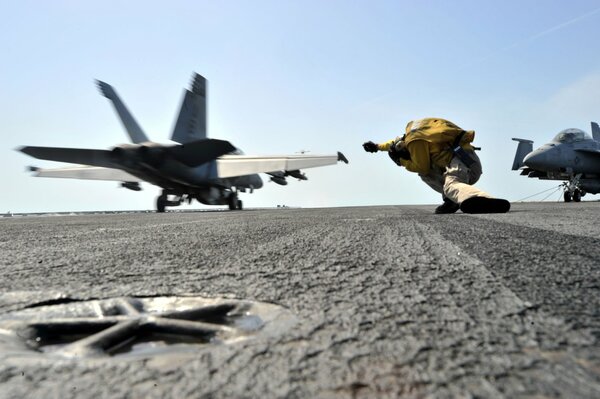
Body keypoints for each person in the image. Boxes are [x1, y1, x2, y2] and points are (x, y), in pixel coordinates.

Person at [363, 117, 510, 214]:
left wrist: (402, 162)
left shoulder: (415, 142)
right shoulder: (411, 134)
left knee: (449, 182)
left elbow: (422, 166)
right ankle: (452, 201)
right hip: (460, 158)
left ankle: (481, 199)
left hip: (463, 161)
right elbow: (392, 144)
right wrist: (377, 146)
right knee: (427, 176)